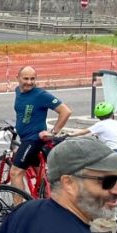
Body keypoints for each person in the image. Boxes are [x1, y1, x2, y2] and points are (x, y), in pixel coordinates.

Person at [9, 66, 72, 195]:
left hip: (33, 140)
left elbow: (65, 111)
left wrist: (53, 133)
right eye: (25, 78)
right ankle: (47, 200)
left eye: (32, 79)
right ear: (18, 78)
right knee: (42, 178)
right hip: (25, 139)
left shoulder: (40, 95)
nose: (29, 82)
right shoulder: (18, 91)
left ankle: (18, 210)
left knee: (16, 172)